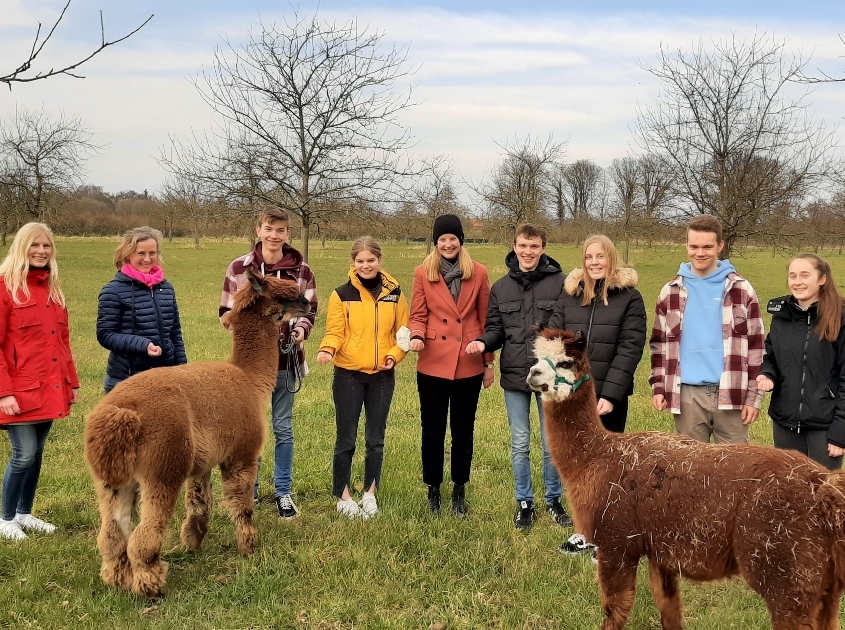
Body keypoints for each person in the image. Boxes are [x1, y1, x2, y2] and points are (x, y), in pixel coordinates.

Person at [467, 224, 571, 530]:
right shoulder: (501, 288)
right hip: (515, 376)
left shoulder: (561, 283)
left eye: (534, 246)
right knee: (520, 442)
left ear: (543, 248)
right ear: (514, 247)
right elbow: (496, 329)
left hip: (549, 377)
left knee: (551, 442)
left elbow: (565, 328)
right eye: (523, 246)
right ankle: (524, 502)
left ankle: (554, 499)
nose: (528, 252)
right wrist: (484, 342)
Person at [220, 206, 317, 519]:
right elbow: (225, 311)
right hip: (249, 367)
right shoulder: (239, 268)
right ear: (259, 230)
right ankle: (252, 487)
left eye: (281, 230)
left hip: (286, 360)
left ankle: (283, 492)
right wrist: (251, 331)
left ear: (288, 234)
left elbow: (310, 309)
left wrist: (299, 330)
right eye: (269, 229)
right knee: (251, 429)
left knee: (282, 427)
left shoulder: (301, 271)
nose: (274, 235)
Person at [650, 214, 764, 443]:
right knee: (689, 473)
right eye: (694, 246)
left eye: (707, 247)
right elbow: (658, 347)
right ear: (686, 246)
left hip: (732, 392)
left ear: (720, 246)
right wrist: (659, 387)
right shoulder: (670, 292)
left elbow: (757, 347)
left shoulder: (741, 289)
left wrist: (754, 397)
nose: (699, 253)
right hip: (687, 396)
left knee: (735, 471)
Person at [316, 237, 409, 519]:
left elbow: (402, 333)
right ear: (352, 264)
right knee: (346, 438)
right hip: (348, 376)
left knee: (375, 439)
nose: (365, 265)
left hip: (382, 376)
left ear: (380, 261)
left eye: (371, 260)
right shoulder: (341, 294)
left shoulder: (395, 294)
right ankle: (343, 496)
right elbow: (335, 331)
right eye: (360, 261)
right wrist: (326, 349)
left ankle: (370, 493)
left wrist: (394, 355)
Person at [409, 214, 493, 517]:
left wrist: (488, 363)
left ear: (460, 241)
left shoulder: (479, 272)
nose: (447, 243)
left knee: (463, 429)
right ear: (436, 242)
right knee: (431, 429)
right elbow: (417, 314)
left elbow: (486, 320)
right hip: (432, 362)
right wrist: (417, 335)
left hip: (468, 362)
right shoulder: (423, 272)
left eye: (452, 238)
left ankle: (459, 489)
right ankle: (433, 488)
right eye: (442, 239)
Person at [0, 223, 79, 541]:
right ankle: (4, 518)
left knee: (38, 453)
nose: (41, 251)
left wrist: (71, 383)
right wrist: (3, 392)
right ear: (22, 247)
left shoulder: (53, 291)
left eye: (47, 246)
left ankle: (24, 513)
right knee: (24, 454)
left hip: (50, 389)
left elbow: (63, 342)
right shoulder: (5, 288)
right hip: (18, 391)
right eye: (35, 245)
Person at [548, 234, 647, 434]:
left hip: (606, 399)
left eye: (600, 256)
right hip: (570, 394)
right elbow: (554, 341)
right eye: (589, 257)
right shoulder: (569, 296)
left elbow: (629, 351)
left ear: (610, 258)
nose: (594, 262)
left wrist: (610, 396)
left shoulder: (629, 298)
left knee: (605, 461)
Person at [756, 254, 845, 470]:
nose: (797, 281)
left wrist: (840, 432)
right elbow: (771, 356)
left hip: (824, 426)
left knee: (823, 494)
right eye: (793, 275)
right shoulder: (782, 314)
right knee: (789, 492)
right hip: (784, 422)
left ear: (822, 279)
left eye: (805, 275)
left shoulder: (840, 316)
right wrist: (767, 373)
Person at [96, 226, 186, 393]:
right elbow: (105, 335)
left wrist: (182, 370)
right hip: (126, 380)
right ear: (127, 254)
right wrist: (142, 345)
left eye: (152, 253)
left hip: (164, 378)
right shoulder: (112, 290)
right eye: (141, 253)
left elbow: (175, 333)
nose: (147, 259)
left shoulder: (166, 288)